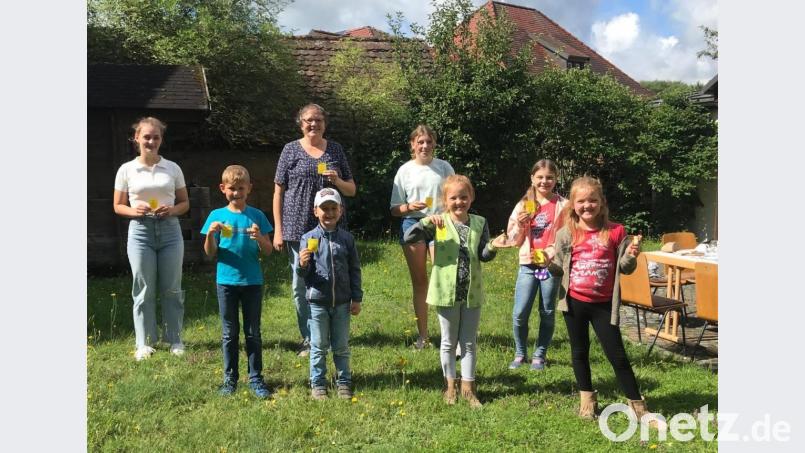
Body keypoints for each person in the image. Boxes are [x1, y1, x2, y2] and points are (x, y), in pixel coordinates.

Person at [544, 176, 659, 425]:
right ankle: (587, 401)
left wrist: (631, 255)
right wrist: (546, 262)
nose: (587, 206)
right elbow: (558, 269)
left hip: (604, 305)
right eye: (581, 201)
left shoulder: (616, 232)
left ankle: (639, 407)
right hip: (574, 303)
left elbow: (625, 268)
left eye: (592, 200)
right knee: (579, 352)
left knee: (617, 355)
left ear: (602, 202)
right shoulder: (566, 233)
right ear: (573, 204)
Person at [404, 175, 507, 408]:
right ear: (445, 200)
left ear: (471, 197)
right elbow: (408, 237)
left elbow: (483, 255)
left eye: (464, 196)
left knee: (469, 343)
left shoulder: (480, 222)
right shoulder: (438, 222)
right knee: (448, 343)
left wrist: (493, 246)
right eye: (453, 198)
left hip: (471, 292)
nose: (459, 202)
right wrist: (426, 222)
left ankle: (468, 388)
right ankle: (449, 385)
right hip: (445, 292)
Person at [273, 104, 357, 357]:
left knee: (332, 280)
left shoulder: (335, 150)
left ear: (325, 123)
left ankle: (332, 334)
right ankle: (309, 338)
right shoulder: (290, 150)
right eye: (309, 120)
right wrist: (278, 229)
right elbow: (278, 191)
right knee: (301, 284)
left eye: (318, 120)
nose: (314, 124)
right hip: (298, 228)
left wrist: (337, 181)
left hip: (331, 228)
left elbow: (351, 190)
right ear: (301, 124)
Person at [113, 117, 189, 361]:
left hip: (170, 231)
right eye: (146, 136)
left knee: (172, 288)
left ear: (161, 140)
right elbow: (117, 206)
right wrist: (134, 211)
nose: (151, 141)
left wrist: (172, 210)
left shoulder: (173, 168)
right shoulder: (126, 169)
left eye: (156, 137)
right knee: (143, 288)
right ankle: (144, 343)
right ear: (136, 138)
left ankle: (174, 338)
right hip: (140, 232)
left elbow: (185, 203)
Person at [201, 165, 274, 399]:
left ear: (249, 189)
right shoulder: (216, 216)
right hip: (226, 282)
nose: (236, 193)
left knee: (253, 332)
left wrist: (260, 237)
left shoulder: (257, 216)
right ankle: (229, 379)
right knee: (229, 333)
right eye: (232, 188)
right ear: (223, 189)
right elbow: (210, 253)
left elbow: (269, 250)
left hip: (252, 281)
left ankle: (256, 378)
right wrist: (212, 235)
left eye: (241, 188)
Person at [390, 125, 455, 350]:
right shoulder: (404, 170)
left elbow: (455, 198)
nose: (425, 146)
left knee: (444, 280)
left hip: (441, 224)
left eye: (428, 141)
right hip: (413, 223)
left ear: (434, 143)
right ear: (412, 145)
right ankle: (423, 337)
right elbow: (394, 209)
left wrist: (444, 215)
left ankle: (451, 337)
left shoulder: (444, 167)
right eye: (420, 142)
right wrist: (408, 206)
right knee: (420, 282)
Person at [297, 188, 363, 400]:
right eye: (324, 208)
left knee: (341, 345)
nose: (329, 213)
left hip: (343, 302)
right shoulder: (308, 238)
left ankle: (344, 381)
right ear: (315, 211)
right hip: (317, 302)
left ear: (341, 211)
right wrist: (303, 264)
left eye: (333, 208)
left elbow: (355, 270)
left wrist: (357, 298)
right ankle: (318, 383)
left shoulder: (347, 239)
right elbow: (303, 275)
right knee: (318, 346)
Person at [504, 159, 568, 371]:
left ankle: (540, 354)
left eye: (549, 177)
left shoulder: (564, 206)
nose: (544, 181)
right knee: (520, 312)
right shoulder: (524, 205)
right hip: (528, 266)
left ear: (556, 179)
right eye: (540, 177)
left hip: (549, 266)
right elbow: (512, 239)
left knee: (547, 311)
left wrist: (550, 254)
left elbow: (568, 238)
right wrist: (522, 225)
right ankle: (520, 353)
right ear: (532, 178)